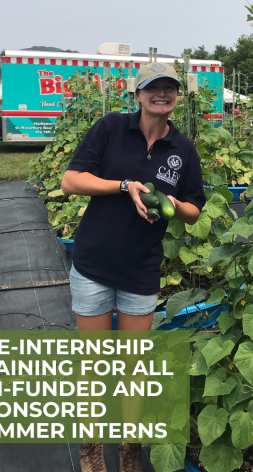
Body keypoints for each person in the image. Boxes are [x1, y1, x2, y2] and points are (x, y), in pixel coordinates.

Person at [61, 62, 206, 472]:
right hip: (93, 264)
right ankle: (91, 451)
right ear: (138, 94)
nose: (162, 94)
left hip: (141, 270)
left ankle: (129, 451)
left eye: (170, 89)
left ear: (177, 96)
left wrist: (169, 204)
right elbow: (71, 180)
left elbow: (194, 210)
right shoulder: (110, 128)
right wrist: (126, 186)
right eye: (153, 88)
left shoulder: (183, 149)